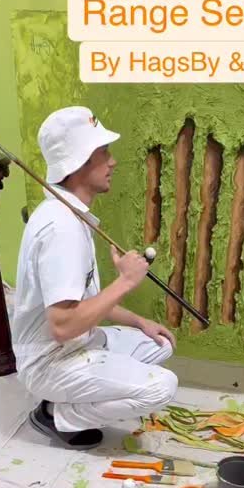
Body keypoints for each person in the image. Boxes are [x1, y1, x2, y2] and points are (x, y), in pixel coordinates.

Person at [12, 106, 178, 448]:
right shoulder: (62, 229)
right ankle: (56, 414)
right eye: (104, 153)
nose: (112, 162)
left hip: (78, 343)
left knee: (159, 343)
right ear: (79, 162)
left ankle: (83, 389)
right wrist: (125, 282)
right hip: (50, 360)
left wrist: (140, 321)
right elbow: (62, 326)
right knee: (163, 386)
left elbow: (87, 302)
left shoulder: (73, 215)